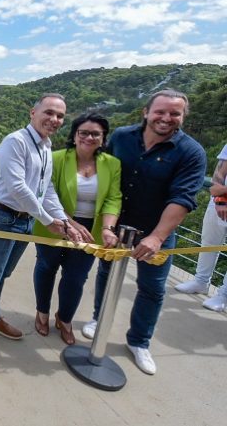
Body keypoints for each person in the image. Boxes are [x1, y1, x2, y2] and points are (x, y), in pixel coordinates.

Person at [81, 89, 207, 375]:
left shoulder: (191, 152)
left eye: (175, 113)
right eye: (160, 111)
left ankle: (139, 341)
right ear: (146, 112)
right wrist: (105, 225)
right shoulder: (122, 137)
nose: (166, 118)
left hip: (157, 230)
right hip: (115, 224)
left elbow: (183, 198)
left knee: (152, 288)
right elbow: (104, 175)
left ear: (183, 116)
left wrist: (157, 237)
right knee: (106, 273)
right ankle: (98, 319)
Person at [0, 93, 82, 373]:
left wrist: (61, 219)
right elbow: (19, 188)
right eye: (49, 112)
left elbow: (46, 191)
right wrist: (48, 219)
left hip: (24, 221)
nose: (54, 120)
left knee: (3, 274)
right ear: (33, 112)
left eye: (60, 116)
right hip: (2, 217)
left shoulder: (45, 147)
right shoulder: (16, 142)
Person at [32, 113, 122, 345]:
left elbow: (113, 198)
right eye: (84, 132)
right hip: (53, 223)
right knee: (46, 268)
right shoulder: (56, 158)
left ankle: (65, 318)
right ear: (74, 135)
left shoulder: (112, 164)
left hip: (90, 231)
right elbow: (45, 193)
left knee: (76, 277)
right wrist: (69, 222)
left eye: (96, 133)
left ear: (103, 138)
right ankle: (42, 312)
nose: (89, 137)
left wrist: (108, 228)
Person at [174, 143, 227, 311]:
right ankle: (201, 281)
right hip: (220, 201)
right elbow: (220, 171)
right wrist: (221, 199)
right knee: (209, 241)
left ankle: (223, 296)